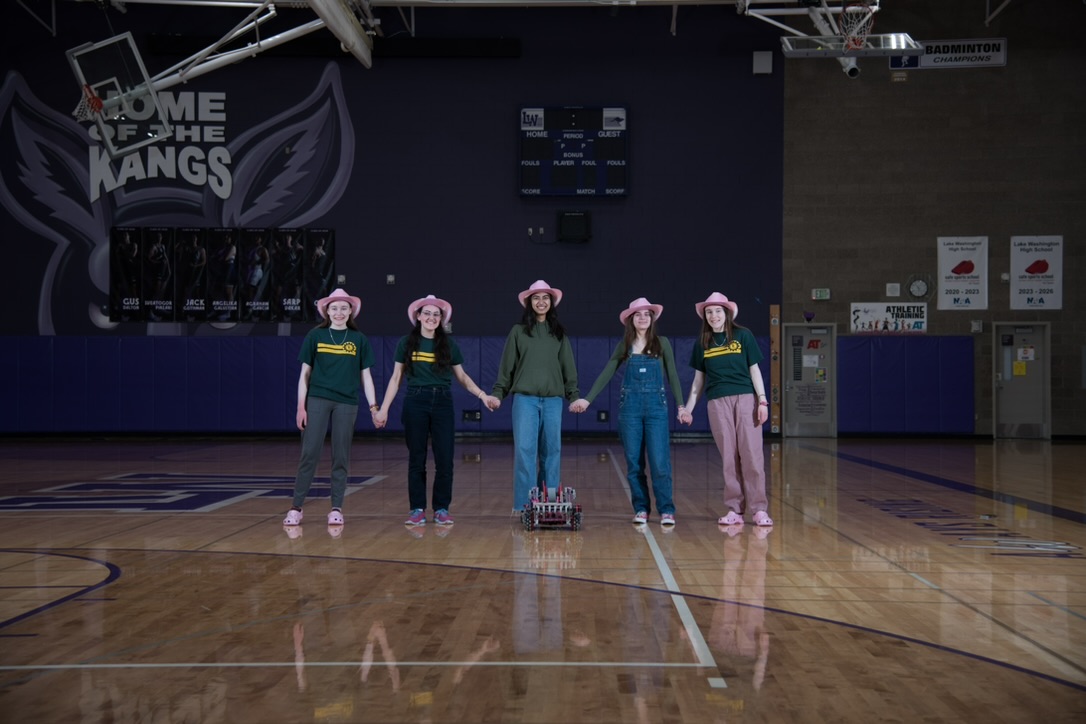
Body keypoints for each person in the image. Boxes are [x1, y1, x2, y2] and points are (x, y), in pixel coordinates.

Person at [374, 294, 500, 526]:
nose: (432, 317)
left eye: (436, 314)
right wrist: (383, 410)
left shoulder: (448, 345)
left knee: (444, 459)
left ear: (441, 319)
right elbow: (395, 378)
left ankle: (441, 508)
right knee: (417, 458)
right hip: (415, 401)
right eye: (427, 313)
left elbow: (462, 377)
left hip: (442, 403)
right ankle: (417, 509)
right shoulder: (406, 343)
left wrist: (483, 395)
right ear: (418, 317)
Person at [570, 297, 686, 526]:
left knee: (660, 462)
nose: (642, 317)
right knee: (634, 463)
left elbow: (673, 375)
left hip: (656, 410)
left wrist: (681, 406)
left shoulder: (662, 343)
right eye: (637, 314)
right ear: (630, 320)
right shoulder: (625, 345)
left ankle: (666, 510)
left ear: (652, 318)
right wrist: (588, 400)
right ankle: (641, 508)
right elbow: (607, 372)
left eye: (646, 314)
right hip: (630, 409)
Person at [283, 288, 378, 529]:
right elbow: (304, 374)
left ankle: (336, 508)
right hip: (317, 399)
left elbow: (366, 376)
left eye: (344, 308)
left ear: (350, 312)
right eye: (334, 308)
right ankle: (296, 508)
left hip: (347, 402)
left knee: (341, 456)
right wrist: (300, 407)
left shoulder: (359, 339)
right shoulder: (315, 336)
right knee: (309, 454)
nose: (339, 312)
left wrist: (374, 407)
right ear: (327, 310)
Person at [679, 292, 773, 527]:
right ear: (705, 316)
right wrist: (688, 409)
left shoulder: (743, 335)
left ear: (727, 313)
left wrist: (762, 401)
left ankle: (759, 509)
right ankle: (735, 510)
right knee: (729, 458)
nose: (713, 315)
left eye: (718, 311)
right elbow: (698, 382)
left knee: (752, 455)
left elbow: (754, 370)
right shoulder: (703, 342)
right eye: (709, 312)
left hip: (745, 400)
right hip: (717, 403)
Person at [491, 280, 579, 513]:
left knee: (552, 452)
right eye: (536, 298)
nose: (541, 302)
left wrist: (574, 396)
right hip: (525, 400)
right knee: (525, 452)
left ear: (551, 303)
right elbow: (506, 367)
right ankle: (524, 506)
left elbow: (568, 368)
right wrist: (498, 393)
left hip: (553, 401)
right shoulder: (518, 331)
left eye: (545, 298)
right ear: (529, 303)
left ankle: (549, 504)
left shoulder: (559, 333)